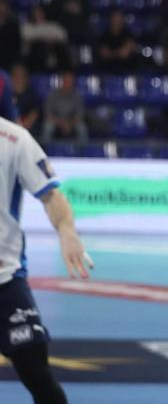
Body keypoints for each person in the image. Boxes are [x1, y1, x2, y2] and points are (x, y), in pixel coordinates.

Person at [0, 115, 94, 404]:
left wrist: (67, 231)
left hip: (4, 278)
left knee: (38, 375)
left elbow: (51, 196)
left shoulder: (14, 139)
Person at [41, 72, 87, 144]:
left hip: (72, 122)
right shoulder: (52, 95)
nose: (68, 84)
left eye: (70, 82)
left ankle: (83, 153)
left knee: (82, 128)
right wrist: (62, 123)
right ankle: (45, 151)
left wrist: (69, 124)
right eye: (66, 81)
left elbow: (79, 116)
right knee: (47, 127)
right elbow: (48, 115)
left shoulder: (77, 96)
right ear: (62, 82)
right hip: (56, 121)